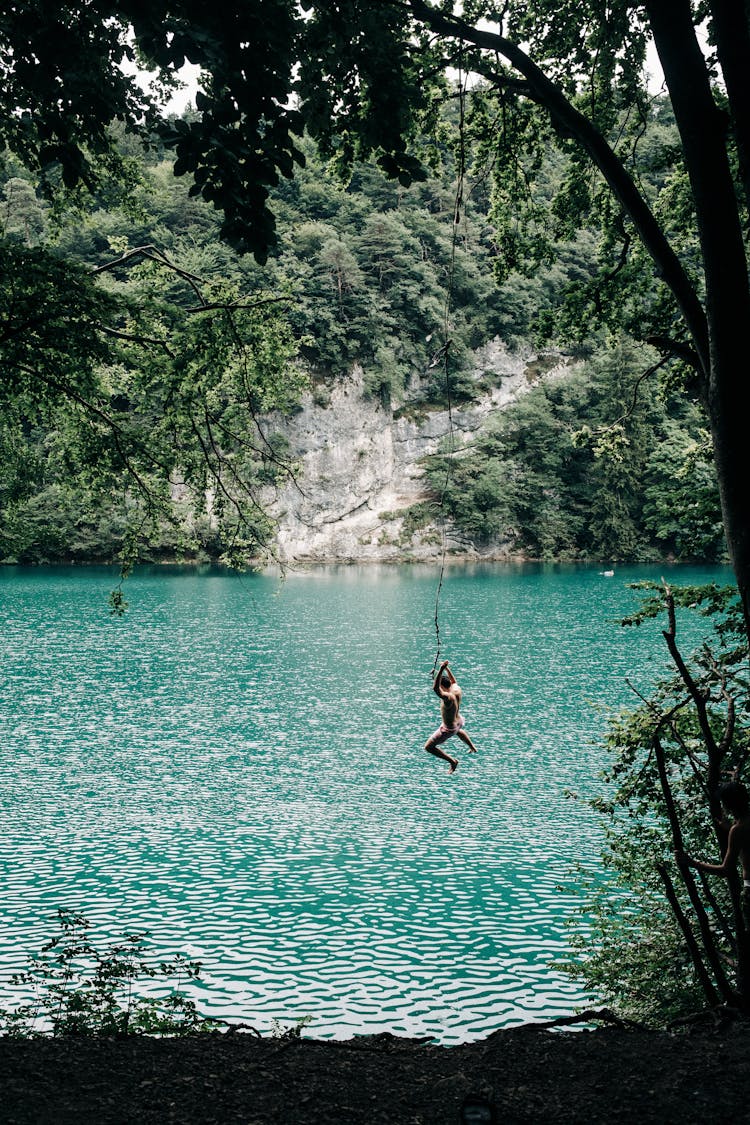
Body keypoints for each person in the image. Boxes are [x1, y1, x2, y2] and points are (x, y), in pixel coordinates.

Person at [675, 781, 750, 892]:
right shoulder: (742, 826)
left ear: (727, 804)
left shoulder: (738, 830)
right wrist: (730, 828)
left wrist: (691, 863)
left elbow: (725, 870)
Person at [424, 659, 478, 774]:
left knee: (428, 747)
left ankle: (452, 761)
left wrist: (442, 669)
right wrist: (447, 668)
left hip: (448, 729)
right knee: (458, 730)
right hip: (458, 721)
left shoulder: (448, 698)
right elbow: (453, 680)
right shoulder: (456, 689)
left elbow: (435, 689)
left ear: (442, 687)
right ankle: (472, 746)